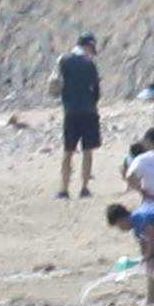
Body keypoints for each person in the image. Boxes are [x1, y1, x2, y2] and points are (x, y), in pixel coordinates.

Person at [53, 33, 107, 198]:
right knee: (87, 151)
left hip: (70, 112)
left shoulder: (63, 61)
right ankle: (84, 188)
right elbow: (96, 90)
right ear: (89, 46)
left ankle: (64, 188)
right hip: (88, 112)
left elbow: (56, 83)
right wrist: (91, 102)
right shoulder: (89, 64)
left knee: (68, 151)